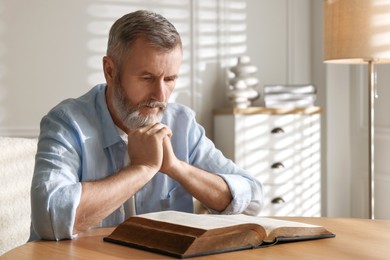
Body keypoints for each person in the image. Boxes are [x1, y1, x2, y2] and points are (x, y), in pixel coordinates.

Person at [29, 10, 263, 241]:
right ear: (110, 71)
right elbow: (49, 219)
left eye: (170, 79)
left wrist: (177, 168)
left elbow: (252, 198)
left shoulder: (182, 123)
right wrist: (142, 169)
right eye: (147, 78)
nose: (160, 95)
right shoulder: (66, 122)